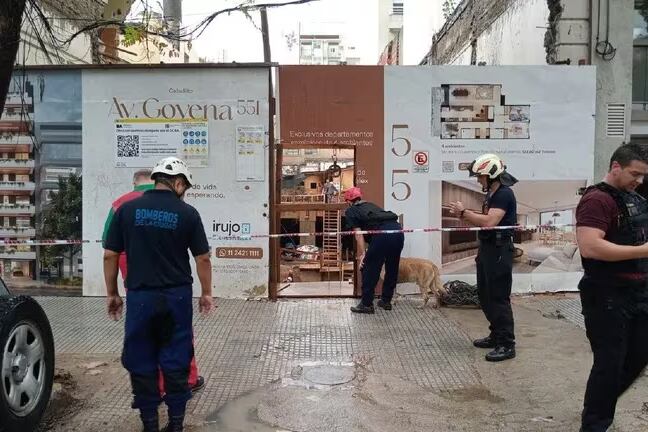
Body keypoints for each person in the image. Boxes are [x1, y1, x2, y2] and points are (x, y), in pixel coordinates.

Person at [103, 157, 214, 432]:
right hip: (177, 297)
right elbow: (203, 259)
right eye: (184, 187)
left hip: (140, 297)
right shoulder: (188, 213)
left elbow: (109, 255)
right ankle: (176, 425)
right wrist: (207, 293)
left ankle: (150, 425)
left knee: (141, 358)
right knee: (176, 359)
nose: (184, 193)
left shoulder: (126, 210)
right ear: (177, 182)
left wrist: (112, 294)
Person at [575, 143, 648, 432]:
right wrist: (644, 252)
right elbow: (591, 246)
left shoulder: (633, 197)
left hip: (638, 292)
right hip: (606, 294)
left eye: (643, 176)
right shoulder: (596, 200)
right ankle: (594, 424)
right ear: (615, 167)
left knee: (639, 354)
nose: (639, 181)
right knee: (609, 363)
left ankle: (600, 402)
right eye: (634, 174)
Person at [448, 153, 518, 362]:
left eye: (481, 176)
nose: (478, 179)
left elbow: (489, 222)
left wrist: (463, 213)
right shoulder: (492, 195)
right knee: (486, 295)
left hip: (499, 250)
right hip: (488, 248)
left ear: (492, 175)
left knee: (498, 297)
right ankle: (496, 335)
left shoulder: (504, 194)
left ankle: (507, 344)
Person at [343, 186, 404, 313]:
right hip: (398, 231)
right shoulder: (371, 205)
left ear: (348, 201)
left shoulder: (351, 211)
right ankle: (386, 301)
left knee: (369, 269)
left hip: (382, 235)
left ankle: (366, 304)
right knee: (392, 267)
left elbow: (359, 235)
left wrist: (362, 254)